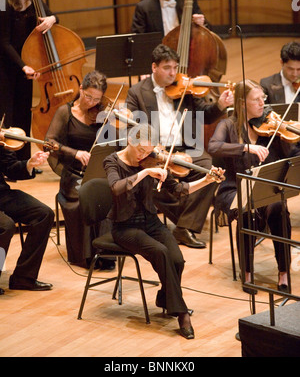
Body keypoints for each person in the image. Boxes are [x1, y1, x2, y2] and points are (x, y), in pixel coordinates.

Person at [103, 123, 224, 339]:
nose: (144, 155)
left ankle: (165, 299)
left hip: (150, 222)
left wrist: (207, 180)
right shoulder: (113, 161)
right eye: (141, 150)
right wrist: (146, 172)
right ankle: (182, 313)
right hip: (124, 226)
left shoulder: (153, 160)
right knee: (160, 252)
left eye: (149, 152)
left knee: (177, 259)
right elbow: (116, 188)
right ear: (130, 141)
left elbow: (180, 190)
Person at [125, 44, 234, 248]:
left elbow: (206, 115)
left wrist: (221, 104)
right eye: (167, 68)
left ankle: (184, 228)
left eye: (175, 67)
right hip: (154, 152)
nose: (173, 73)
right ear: (154, 67)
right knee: (154, 182)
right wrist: (151, 148)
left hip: (185, 149)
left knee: (211, 170)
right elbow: (130, 127)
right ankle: (189, 220)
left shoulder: (185, 89)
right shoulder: (137, 92)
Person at [208, 79, 294, 293]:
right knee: (247, 211)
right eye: (256, 100)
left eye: (263, 99)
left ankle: (284, 273)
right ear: (242, 103)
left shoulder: (270, 126)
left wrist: (289, 135)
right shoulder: (228, 125)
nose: (262, 104)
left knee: (279, 209)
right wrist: (246, 147)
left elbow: (291, 156)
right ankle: (247, 273)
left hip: (265, 187)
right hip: (234, 188)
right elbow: (213, 146)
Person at [45, 70, 115, 269]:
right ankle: (84, 255)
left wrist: (113, 125)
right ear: (80, 89)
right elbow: (48, 143)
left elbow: (111, 143)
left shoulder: (102, 113)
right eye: (88, 96)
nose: (91, 102)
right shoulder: (65, 112)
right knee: (83, 197)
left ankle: (106, 252)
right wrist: (75, 153)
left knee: (109, 193)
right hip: (73, 174)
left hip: (96, 172)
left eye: (96, 99)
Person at [0, 0, 58, 161]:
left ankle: (25, 163)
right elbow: (3, 42)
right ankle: (7, 163)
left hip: (28, 64)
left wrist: (52, 19)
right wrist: (22, 65)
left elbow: (52, 16)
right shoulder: (2, 0)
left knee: (24, 111)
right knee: (7, 115)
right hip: (7, 65)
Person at [0, 137, 54, 295]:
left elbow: (10, 168)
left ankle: (23, 278)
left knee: (44, 214)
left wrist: (29, 163)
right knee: (5, 226)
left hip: (2, 195)